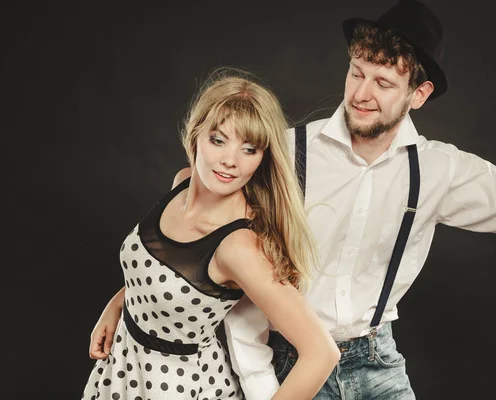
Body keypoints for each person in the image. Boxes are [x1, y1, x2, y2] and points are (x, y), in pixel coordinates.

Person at [90, 1, 496, 399]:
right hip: (286, 360)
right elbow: (192, 241)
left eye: (383, 83)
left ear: (420, 93)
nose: (361, 94)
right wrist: (125, 301)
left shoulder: (438, 169)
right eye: (356, 73)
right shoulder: (279, 154)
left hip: (378, 361)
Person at [82, 69, 340, 400]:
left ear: (263, 159)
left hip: (176, 389)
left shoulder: (239, 247)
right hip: (124, 366)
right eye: (218, 140)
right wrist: (117, 305)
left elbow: (321, 353)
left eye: (250, 149)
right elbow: (162, 272)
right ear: (195, 136)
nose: (230, 161)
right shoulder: (183, 182)